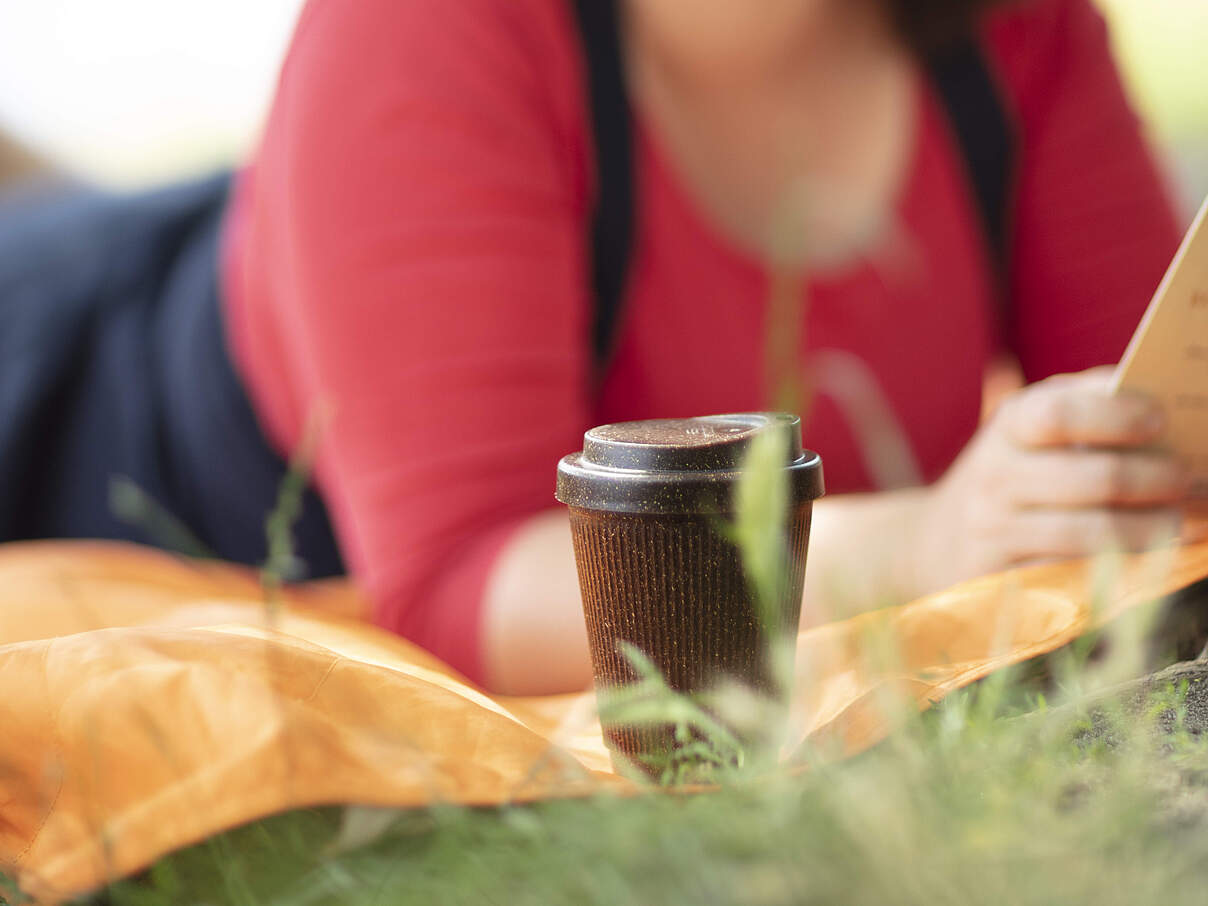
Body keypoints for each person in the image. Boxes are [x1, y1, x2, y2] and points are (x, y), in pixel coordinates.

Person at [0, 0, 1188, 695]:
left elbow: (1163, 425)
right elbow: (451, 586)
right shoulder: (421, 31)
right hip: (66, 401)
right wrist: (925, 547)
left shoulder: (1018, 33)